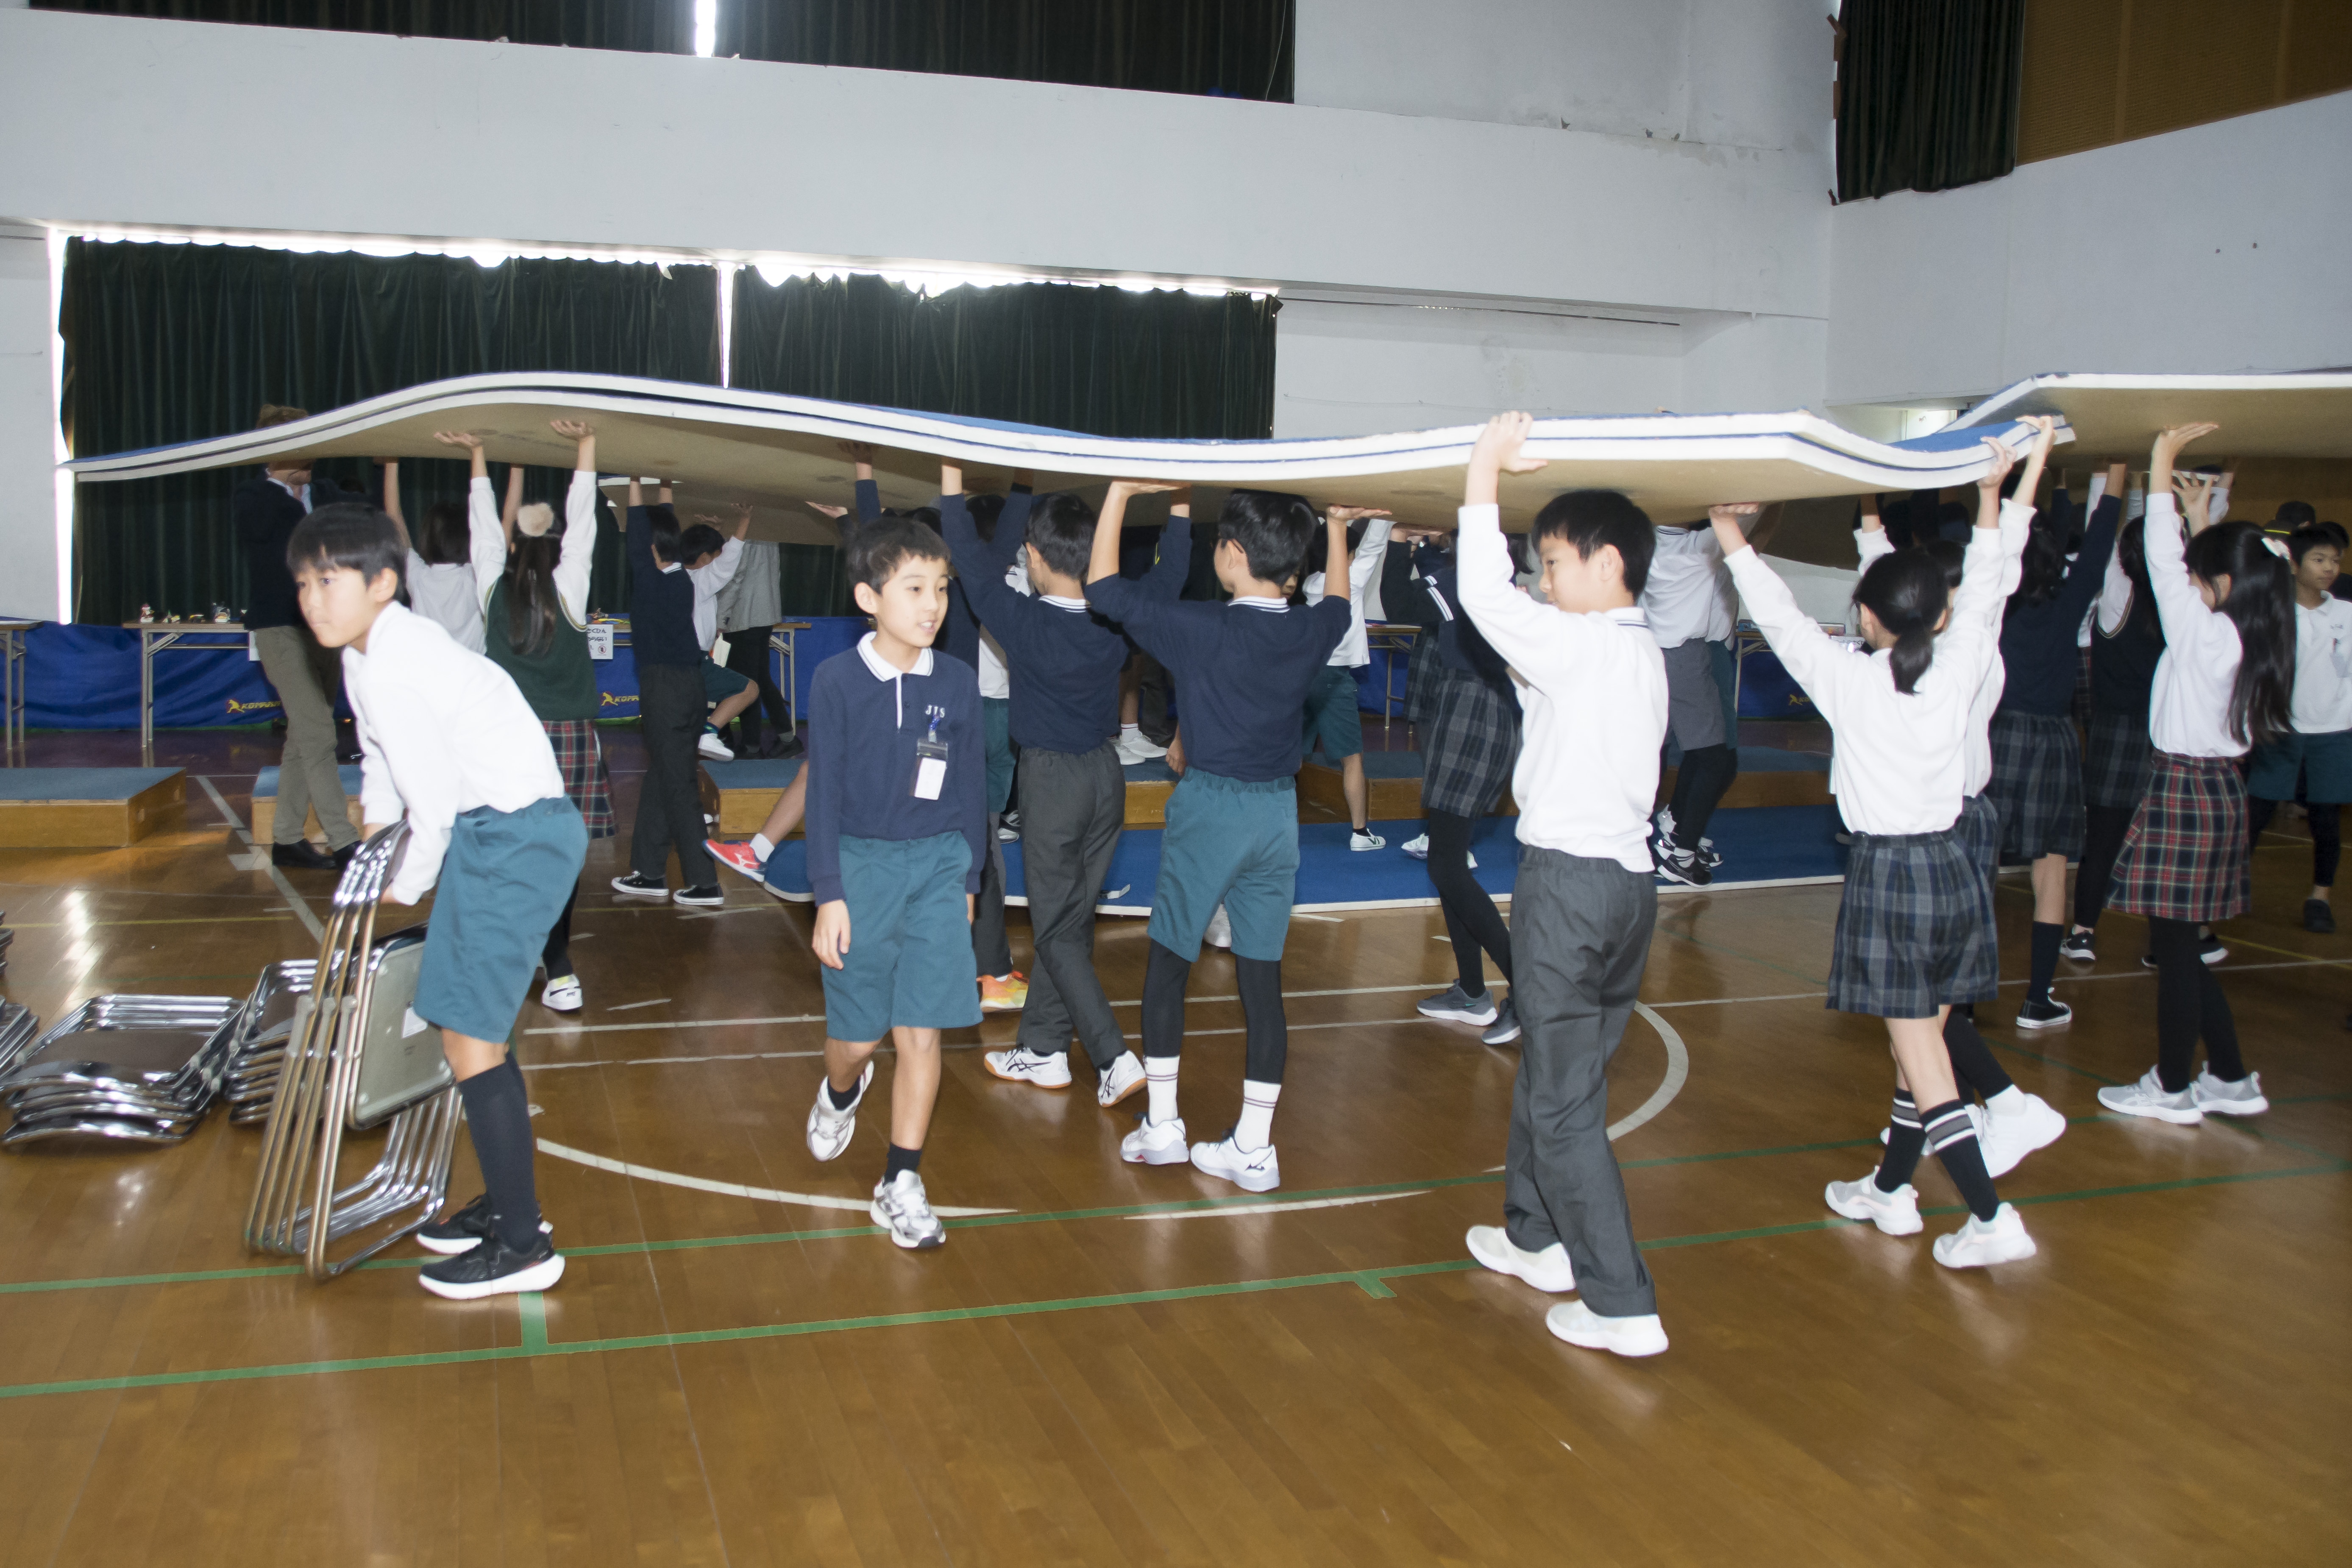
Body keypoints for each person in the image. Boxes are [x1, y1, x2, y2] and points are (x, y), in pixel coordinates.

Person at [1726, 437, 2037, 1272]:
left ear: (1866, 616)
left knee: (1923, 1059)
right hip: (1954, 867)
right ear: (1936, 614)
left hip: (1890, 875)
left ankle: (1988, 1215)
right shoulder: (1962, 658)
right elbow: (1988, 579)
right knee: (1915, 1046)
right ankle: (1889, 1187)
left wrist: (1730, 535)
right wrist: (1996, 492)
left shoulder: (1850, 680)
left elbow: (1779, 618)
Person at [287, 500, 584, 1299]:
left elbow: (435, 805)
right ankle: (507, 1204)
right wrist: (376, 832)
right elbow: (383, 760)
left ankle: (522, 1245)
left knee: (469, 1037)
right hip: (499, 834)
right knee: (470, 1027)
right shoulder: (367, 654)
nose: (313, 599)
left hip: (515, 836)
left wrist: (404, 882)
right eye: (304, 583)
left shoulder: (396, 660)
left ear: (383, 582)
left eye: (330, 580)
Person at [1449, 414, 1672, 1358]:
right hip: (1626, 890)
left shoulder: (1584, 650)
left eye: (1550, 563)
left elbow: (1481, 593)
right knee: (1557, 1069)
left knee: (1564, 1100)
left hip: (1569, 891)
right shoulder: (1634, 649)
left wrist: (1481, 471)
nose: (1541, 581)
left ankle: (1619, 1300)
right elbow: (1529, 666)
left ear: (1606, 563)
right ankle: (1532, 1233)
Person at [1087, 484, 1352, 1193]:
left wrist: (1119, 492)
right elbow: (1338, 604)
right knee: (1261, 980)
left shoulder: (1202, 626)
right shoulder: (1308, 629)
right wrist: (1336, 526)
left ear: (1232, 554)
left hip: (1211, 808)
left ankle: (1163, 1126)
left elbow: (1103, 587)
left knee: (1169, 963)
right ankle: (1253, 1147)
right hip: (1278, 814)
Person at [1855, 437, 2070, 1180]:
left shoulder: (1959, 654)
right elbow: (1969, 560)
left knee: (1922, 1017)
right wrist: (1868, 492)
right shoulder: (1954, 644)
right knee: (1926, 1016)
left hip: (1952, 827)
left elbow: (1994, 557)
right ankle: (1903, 1168)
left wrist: (2011, 485)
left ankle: (1997, 1110)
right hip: (1951, 824)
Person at [801, 514, 988, 1250]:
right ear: (868, 598)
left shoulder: (959, 680)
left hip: (938, 862)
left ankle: (900, 1179)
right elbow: (822, 794)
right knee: (856, 1038)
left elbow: (970, 783)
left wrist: (969, 875)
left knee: (921, 1027)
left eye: (940, 587)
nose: (932, 603)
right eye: (914, 588)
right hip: (860, 866)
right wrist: (828, 892)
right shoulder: (837, 680)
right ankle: (839, 1090)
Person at [2098, 427, 2291, 1125]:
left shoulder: (2205, 634)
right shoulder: (2255, 630)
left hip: (2183, 789)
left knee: (2176, 952)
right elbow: (2202, 571)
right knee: (2180, 946)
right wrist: (2202, 513)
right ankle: (2230, 1076)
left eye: (2199, 574)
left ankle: (2173, 1085)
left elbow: (2159, 555)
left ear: (2222, 585)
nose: (2186, 581)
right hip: (2217, 790)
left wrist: (2159, 466)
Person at [941, 467, 1151, 1106]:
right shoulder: (1114, 621)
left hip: (1053, 781)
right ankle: (1043, 1049)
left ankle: (1112, 1055)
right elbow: (1168, 577)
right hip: (1107, 775)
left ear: (1032, 556)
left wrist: (949, 477)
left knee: (1056, 929)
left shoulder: (1025, 620)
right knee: (1072, 922)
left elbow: (969, 561)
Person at [449, 421, 612, 1014]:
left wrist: (477, 453)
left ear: (513, 550)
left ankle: (510, 956)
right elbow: (584, 522)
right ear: (556, 551)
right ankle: (558, 967)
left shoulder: (493, 588)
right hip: (568, 737)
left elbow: (482, 532)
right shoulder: (570, 586)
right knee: (560, 855)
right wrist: (586, 447)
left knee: (508, 850)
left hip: (506, 740)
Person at [1987, 451, 2118, 1028]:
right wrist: (2118, 468)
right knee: (2051, 868)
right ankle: (2037, 996)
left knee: (1979, 861)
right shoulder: (2071, 596)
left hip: (1998, 731)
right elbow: (2100, 537)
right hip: (2055, 740)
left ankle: (1959, 1000)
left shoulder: (1994, 601)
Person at [1393, 529, 1523, 1046]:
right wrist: (1426, 548)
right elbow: (1427, 585)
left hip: (1473, 708)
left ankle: (1526, 991)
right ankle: (1471, 991)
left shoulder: (1468, 581)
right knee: (1445, 862)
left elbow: (1396, 600)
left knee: (1445, 865)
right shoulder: (1480, 581)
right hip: (1476, 704)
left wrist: (1391, 538)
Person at [231, 404, 360, 871]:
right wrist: (287, 485)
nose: (309, 457)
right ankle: (345, 842)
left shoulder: (324, 492)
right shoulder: (254, 496)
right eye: (297, 447)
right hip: (280, 628)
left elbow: (358, 522)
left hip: (324, 631)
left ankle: (286, 838)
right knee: (319, 732)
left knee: (304, 738)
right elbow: (270, 527)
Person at [1642, 504, 1775, 884]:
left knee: (1663, 755)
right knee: (1715, 760)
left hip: (1655, 653)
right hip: (1684, 657)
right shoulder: (1696, 548)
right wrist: (1773, 498)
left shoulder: (1647, 543)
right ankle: (1679, 851)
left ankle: (1667, 835)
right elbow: (1745, 528)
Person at [610, 482, 726, 908]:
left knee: (677, 785)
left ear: (649, 545)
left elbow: (638, 539)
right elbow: (653, 536)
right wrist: (663, 490)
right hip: (689, 687)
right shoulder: (682, 581)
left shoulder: (651, 581)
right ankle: (648, 871)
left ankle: (705, 882)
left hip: (665, 690)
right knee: (663, 777)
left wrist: (635, 484)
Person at [2246, 524, 2352, 933]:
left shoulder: (2346, 615)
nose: (2329, 568)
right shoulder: (2271, 612)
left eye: (2335, 560)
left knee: (2326, 820)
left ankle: (2319, 898)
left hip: (2334, 732)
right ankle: (2228, 889)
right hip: (2278, 729)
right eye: (2318, 559)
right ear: (2293, 564)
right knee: (2256, 814)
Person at [1299, 508, 1397, 850]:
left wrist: (1331, 520)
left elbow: (1354, 546)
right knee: (1351, 758)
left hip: (1303, 674)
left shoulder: (1309, 584)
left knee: (1290, 754)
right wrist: (1385, 513)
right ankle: (1360, 833)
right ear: (1347, 554)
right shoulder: (1350, 580)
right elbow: (1373, 545)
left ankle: (1270, 825)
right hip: (1333, 677)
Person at [379, 444, 512, 653]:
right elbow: (507, 523)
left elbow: (393, 515)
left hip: (430, 669)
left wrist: (391, 461)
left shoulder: (419, 578)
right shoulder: (474, 576)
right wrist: (517, 466)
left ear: (428, 537)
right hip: (472, 669)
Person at [672, 513, 757, 761]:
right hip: (692, 661)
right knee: (749, 689)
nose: (718, 562)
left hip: (671, 661)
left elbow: (716, 557)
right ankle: (709, 732)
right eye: (715, 557)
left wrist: (714, 529)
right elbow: (728, 561)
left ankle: (690, 745)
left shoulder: (673, 576)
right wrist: (745, 519)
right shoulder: (700, 580)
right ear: (704, 559)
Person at [715, 515, 798, 760]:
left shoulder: (745, 529)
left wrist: (720, 618)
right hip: (764, 612)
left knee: (746, 682)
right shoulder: (768, 526)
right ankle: (787, 739)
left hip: (744, 615)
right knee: (759, 678)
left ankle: (751, 745)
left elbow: (735, 575)